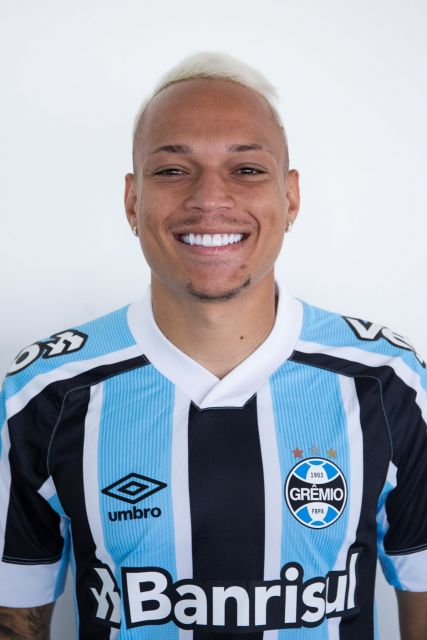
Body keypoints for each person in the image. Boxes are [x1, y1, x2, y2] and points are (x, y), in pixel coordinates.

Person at [0, 52, 426, 640]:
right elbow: (15, 619)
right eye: (173, 170)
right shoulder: (42, 393)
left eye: (246, 169)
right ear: (132, 200)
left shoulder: (389, 381)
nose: (209, 197)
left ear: (290, 197)